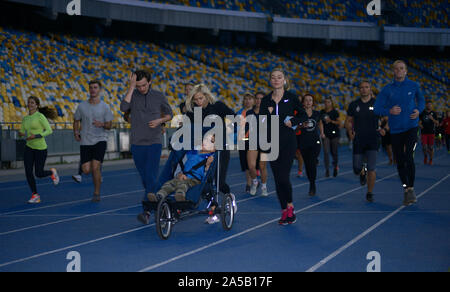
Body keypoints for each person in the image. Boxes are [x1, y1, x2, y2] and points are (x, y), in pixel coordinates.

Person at [120, 70, 173, 224]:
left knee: (150, 175)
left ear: (149, 82)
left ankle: (146, 211)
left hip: (154, 142)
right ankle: (158, 199)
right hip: (137, 143)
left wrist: (160, 121)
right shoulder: (133, 95)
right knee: (145, 178)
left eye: (144, 85)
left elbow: (169, 114)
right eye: (138, 86)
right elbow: (123, 108)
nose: (141, 88)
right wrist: (131, 87)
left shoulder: (158, 95)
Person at [259, 68, 307, 225]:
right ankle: (284, 211)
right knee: (277, 179)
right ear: (270, 80)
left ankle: (290, 206)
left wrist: (292, 122)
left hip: (288, 142)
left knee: (283, 176)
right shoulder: (266, 100)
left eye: (279, 77)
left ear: (284, 80)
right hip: (271, 142)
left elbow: (303, 115)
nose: (276, 80)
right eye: (273, 77)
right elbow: (262, 121)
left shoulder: (291, 97)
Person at [374, 60, 425, 206]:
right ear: (393, 71)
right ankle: (406, 188)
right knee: (400, 160)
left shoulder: (414, 85)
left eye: (401, 68)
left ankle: (411, 188)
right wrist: (388, 111)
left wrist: (418, 110)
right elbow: (377, 108)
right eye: (396, 69)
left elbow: (421, 100)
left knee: (409, 156)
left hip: (411, 127)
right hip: (395, 130)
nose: (399, 71)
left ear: (406, 71)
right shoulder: (387, 89)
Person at [185, 83, 237, 219]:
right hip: (203, 149)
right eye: (195, 99)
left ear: (207, 96)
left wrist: (227, 130)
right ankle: (213, 206)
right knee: (205, 180)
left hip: (220, 147)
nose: (198, 102)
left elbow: (233, 117)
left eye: (201, 98)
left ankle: (229, 196)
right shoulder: (194, 111)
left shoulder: (218, 106)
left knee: (219, 181)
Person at [73, 80, 114, 202]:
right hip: (85, 141)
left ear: (99, 90)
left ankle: (96, 193)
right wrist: (76, 132)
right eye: (91, 87)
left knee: (95, 167)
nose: (93, 90)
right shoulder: (82, 106)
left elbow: (109, 125)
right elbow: (76, 120)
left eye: (95, 87)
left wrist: (101, 124)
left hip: (100, 139)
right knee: (86, 170)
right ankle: (97, 176)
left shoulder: (105, 107)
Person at [147, 134, 215, 203]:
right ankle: (159, 195)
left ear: (214, 149)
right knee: (170, 183)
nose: (205, 142)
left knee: (184, 185)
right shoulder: (191, 153)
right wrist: (179, 174)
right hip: (183, 176)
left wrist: (207, 166)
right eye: (205, 139)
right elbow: (181, 165)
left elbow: (207, 178)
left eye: (211, 141)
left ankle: (180, 196)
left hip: (195, 180)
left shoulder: (210, 159)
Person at [19, 96, 59, 203]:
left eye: (32, 103)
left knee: (39, 173)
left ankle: (51, 172)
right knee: (28, 172)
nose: (30, 104)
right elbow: (22, 131)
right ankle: (35, 195)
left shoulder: (40, 116)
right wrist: (21, 133)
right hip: (29, 148)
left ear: (36, 105)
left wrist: (36, 136)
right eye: (28, 102)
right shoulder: (25, 119)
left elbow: (49, 130)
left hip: (40, 149)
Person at [345, 80, 381, 203]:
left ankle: (369, 193)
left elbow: (387, 117)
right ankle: (361, 172)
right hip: (358, 140)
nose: (364, 89)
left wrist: (385, 128)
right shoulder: (354, 105)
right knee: (356, 168)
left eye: (366, 87)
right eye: (361, 87)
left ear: (370, 89)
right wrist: (350, 133)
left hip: (373, 140)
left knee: (372, 168)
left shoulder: (377, 104)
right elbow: (348, 121)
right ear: (359, 90)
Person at [297, 93, 324, 196]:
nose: (308, 102)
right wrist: (301, 125)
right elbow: (294, 126)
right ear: (303, 102)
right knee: (308, 165)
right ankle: (311, 181)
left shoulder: (317, 113)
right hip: (303, 142)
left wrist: (322, 132)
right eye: (306, 100)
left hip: (315, 142)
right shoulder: (300, 114)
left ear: (313, 103)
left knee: (312, 162)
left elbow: (320, 122)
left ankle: (312, 185)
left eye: (310, 100)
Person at [246, 91, 269, 196]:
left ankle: (264, 186)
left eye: (261, 99)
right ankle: (255, 182)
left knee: (262, 166)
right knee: (251, 166)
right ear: (255, 100)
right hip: (253, 141)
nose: (259, 101)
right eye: (257, 99)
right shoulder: (249, 113)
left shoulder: (268, 112)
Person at [236, 93, 255, 194]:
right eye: (246, 99)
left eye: (250, 99)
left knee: (251, 164)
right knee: (245, 164)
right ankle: (251, 181)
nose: (248, 101)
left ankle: (250, 183)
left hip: (254, 140)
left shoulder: (257, 112)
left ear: (253, 100)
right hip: (242, 140)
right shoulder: (239, 113)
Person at [320, 96, 341, 177]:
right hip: (326, 135)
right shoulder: (322, 112)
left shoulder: (335, 112)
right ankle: (327, 170)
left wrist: (331, 121)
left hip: (335, 134)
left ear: (331, 103)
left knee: (334, 152)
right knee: (326, 152)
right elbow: (320, 122)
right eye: (325, 102)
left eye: (328, 102)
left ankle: (335, 166)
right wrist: (322, 132)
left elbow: (339, 123)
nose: (326, 103)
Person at [419, 100, 439, 165]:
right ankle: (425, 156)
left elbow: (437, 123)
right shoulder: (422, 113)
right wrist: (420, 125)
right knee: (424, 147)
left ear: (431, 106)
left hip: (431, 132)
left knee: (431, 147)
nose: (429, 106)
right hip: (424, 132)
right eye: (428, 104)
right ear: (426, 105)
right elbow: (419, 122)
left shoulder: (434, 113)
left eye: (430, 105)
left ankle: (431, 159)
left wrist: (432, 119)